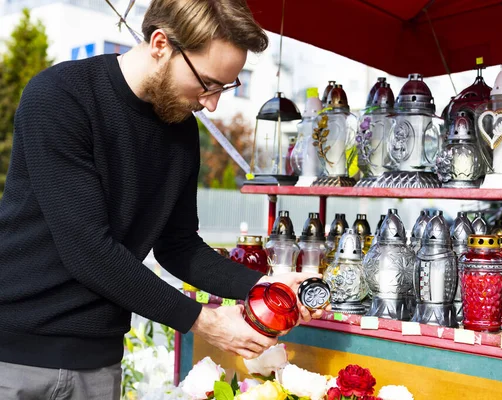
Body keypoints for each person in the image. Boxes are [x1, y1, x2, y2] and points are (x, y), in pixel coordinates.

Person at [0, 0, 323, 398]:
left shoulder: (180, 129)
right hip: (15, 359)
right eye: (207, 82)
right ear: (160, 44)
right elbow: (89, 251)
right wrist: (203, 321)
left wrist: (266, 285)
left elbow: (179, 246)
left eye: (225, 86)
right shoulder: (60, 97)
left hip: (99, 364)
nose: (212, 103)